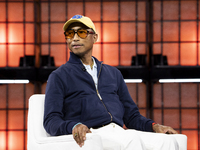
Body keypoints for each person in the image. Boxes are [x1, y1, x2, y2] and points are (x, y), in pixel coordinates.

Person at [43, 15, 180, 150]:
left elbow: (131, 116)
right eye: (69, 34)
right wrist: (73, 126)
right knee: (132, 140)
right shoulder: (59, 76)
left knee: (167, 142)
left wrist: (154, 126)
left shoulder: (113, 73)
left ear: (94, 37)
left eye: (82, 32)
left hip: (118, 132)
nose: (75, 38)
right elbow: (51, 120)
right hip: (92, 135)